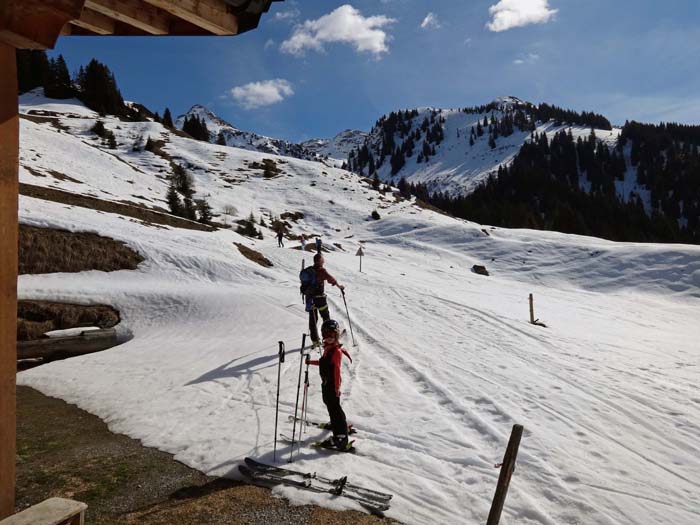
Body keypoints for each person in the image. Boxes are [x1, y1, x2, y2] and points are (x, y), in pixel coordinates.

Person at [307, 319, 353, 451]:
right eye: (326, 335)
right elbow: (324, 363)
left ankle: (340, 437)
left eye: (331, 335)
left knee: (334, 409)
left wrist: (337, 388)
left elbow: (337, 370)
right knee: (332, 407)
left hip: (332, 385)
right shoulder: (328, 349)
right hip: (327, 383)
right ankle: (339, 425)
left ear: (336, 335)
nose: (328, 338)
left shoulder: (336, 352)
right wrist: (311, 362)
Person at [305, 253, 344, 348]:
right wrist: (340, 287)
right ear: (320, 261)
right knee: (326, 318)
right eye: (323, 260)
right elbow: (331, 279)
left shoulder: (308, 271)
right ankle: (330, 337)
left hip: (310, 299)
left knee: (313, 320)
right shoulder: (321, 270)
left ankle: (315, 341)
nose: (324, 261)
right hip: (320, 299)